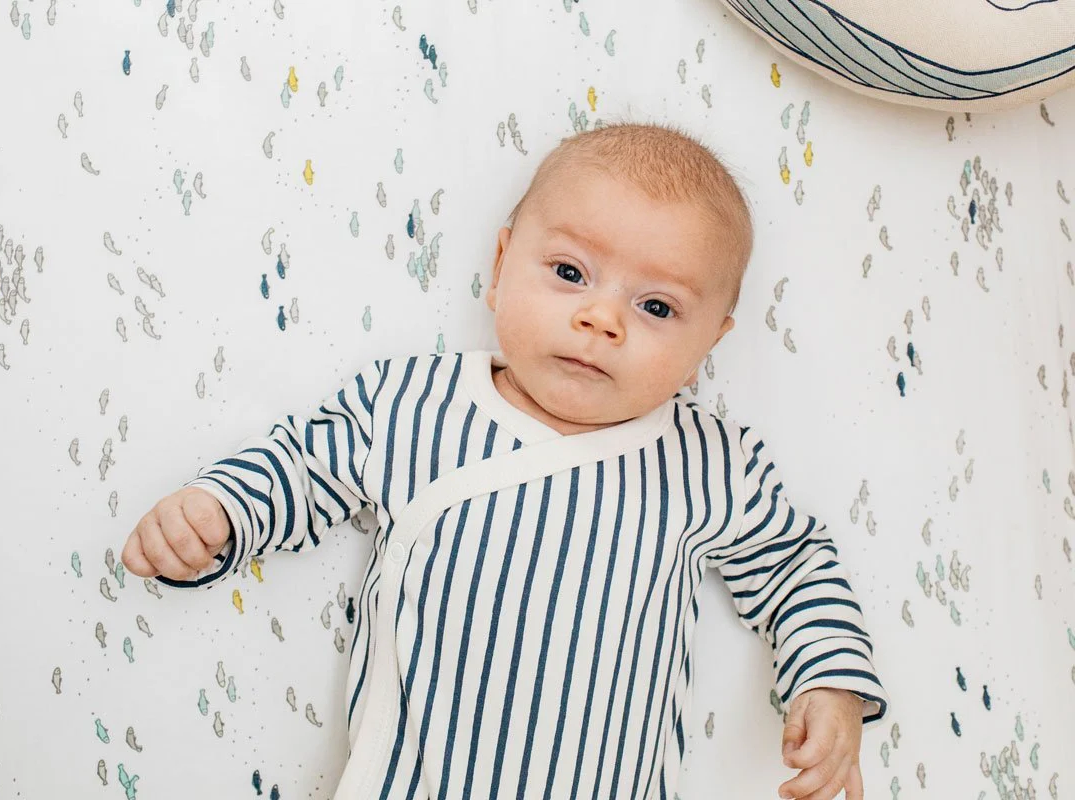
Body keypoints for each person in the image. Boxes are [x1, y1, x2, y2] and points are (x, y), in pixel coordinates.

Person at [122, 121, 889, 800]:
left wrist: (830, 681)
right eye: (569, 273)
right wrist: (220, 510)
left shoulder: (708, 462)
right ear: (501, 266)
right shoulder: (413, 402)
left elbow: (796, 566)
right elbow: (303, 468)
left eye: (656, 307)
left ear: (707, 346)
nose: (601, 319)